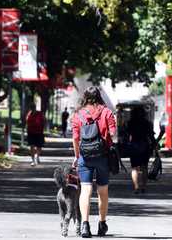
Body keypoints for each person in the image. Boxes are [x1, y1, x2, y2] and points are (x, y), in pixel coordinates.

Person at [71, 86, 116, 238]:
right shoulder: (107, 112)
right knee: (102, 191)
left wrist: (77, 156)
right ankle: (102, 224)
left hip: (85, 156)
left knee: (85, 190)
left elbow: (76, 138)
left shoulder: (78, 114)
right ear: (99, 96)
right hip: (103, 156)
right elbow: (113, 134)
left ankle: (85, 225)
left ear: (85, 97)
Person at [127, 106, 156, 194]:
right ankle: (143, 186)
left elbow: (127, 135)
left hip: (134, 145)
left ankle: (136, 187)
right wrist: (154, 144)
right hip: (144, 145)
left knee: (134, 168)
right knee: (144, 167)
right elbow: (151, 135)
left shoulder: (130, 123)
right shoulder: (147, 123)